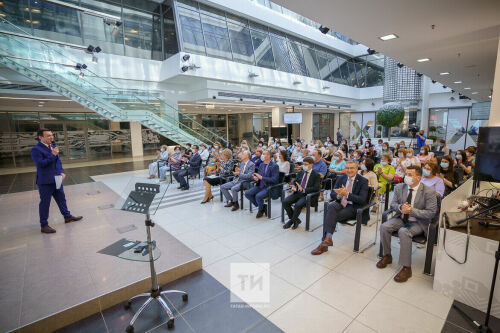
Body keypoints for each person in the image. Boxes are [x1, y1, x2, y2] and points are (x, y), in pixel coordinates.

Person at [376, 165, 437, 283]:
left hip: (417, 221)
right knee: (384, 226)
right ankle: (387, 256)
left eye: (410, 175)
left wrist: (411, 210)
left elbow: (431, 213)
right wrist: (400, 207)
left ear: (418, 178)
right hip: (401, 217)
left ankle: (406, 268)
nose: (406, 177)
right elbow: (393, 204)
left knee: (404, 231)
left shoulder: (429, 192)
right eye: (406, 174)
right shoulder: (400, 187)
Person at [310, 160, 369, 255]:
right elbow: (333, 193)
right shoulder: (342, 178)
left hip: (353, 207)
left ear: (356, 169)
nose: (349, 170)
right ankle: (328, 239)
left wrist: (347, 194)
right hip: (340, 202)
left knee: (330, 215)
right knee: (332, 206)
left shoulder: (363, 181)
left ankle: (324, 244)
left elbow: (362, 200)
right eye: (347, 168)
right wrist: (338, 196)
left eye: (352, 168)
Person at [31, 128, 82, 234]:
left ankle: (67, 216)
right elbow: (41, 164)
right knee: (45, 203)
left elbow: (58, 163)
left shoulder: (53, 147)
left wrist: (62, 172)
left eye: (52, 135)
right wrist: (53, 154)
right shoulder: (36, 149)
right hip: (45, 181)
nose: (51, 137)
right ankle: (44, 225)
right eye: (48, 135)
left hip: (57, 179)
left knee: (61, 199)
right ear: (41, 137)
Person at [282, 157, 321, 230]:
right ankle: (295, 220)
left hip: (308, 195)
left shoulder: (316, 175)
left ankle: (291, 221)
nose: (304, 166)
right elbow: (295, 181)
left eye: (306, 164)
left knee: (298, 205)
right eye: (303, 164)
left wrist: (304, 190)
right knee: (285, 202)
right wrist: (293, 185)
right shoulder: (301, 172)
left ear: (311, 165)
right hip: (298, 193)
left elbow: (316, 188)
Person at [245, 150, 279, 218]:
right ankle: (262, 206)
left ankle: (260, 210)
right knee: (247, 194)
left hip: (269, 186)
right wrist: (256, 178)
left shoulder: (274, 166)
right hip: (260, 185)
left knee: (258, 196)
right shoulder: (261, 164)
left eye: (264, 154)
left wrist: (262, 177)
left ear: (269, 156)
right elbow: (259, 176)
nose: (262, 155)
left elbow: (274, 180)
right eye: (262, 154)